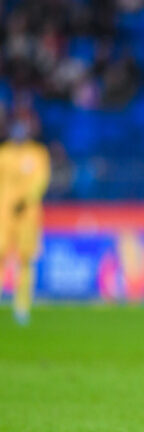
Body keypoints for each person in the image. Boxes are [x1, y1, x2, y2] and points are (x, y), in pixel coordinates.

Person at [0, 113, 51, 325]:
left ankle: (22, 306)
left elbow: (41, 181)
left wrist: (26, 199)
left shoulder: (38, 153)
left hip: (28, 215)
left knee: (26, 260)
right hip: (3, 214)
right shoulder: (3, 153)